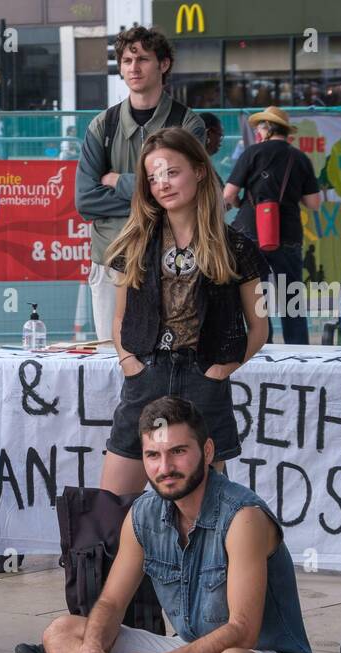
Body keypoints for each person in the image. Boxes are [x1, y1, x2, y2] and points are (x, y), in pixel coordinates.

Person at [38, 397, 321, 653]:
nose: (165, 467)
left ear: (206, 450)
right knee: (61, 632)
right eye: (153, 456)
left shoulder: (242, 517)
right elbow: (110, 603)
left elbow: (242, 632)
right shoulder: (143, 514)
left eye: (178, 452)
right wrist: (93, 647)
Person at [101, 127, 269, 497]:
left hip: (203, 379)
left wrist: (224, 367)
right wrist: (129, 360)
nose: (162, 183)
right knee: (110, 507)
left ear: (200, 171)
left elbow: (259, 326)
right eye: (153, 177)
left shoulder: (235, 246)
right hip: (145, 375)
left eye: (172, 172)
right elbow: (119, 318)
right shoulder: (134, 242)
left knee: (203, 513)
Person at [77, 25, 205, 342]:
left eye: (143, 59)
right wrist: (158, 193)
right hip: (112, 257)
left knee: (174, 357)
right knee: (114, 357)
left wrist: (119, 181)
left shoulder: (186, 124)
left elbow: (188, 193)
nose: (134, 68)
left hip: (174, 260)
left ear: (163, 65)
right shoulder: (102, 125)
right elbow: (85, 199)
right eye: (126, 61)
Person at [224, 106, 321, 344]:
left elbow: (228, 195)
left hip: (249, 232)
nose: (257, 131)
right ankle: (299, 352)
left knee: (256, 296)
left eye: (259, 127)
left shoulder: (252, 153)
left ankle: (260, 348)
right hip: (287, 233)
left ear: (267, 129)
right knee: (291, 298)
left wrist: (241, 202)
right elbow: (313, 202)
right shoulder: (299, 158)